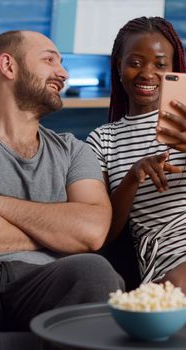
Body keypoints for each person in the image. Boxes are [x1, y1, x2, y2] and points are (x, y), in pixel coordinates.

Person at [0, 30, 125, 332]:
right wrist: (57, 232)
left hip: (49, 279)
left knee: (94, 269)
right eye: (49, 60)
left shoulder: (74, 151)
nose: (63, 73)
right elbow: (75, 235)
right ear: (8, 66)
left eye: (61, 63)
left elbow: (90, 232)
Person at [87, 16, 186, 293]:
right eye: (135, 62)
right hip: (163, 266)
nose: (147, 73)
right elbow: (105, 233)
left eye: (160, 64)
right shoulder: (103, 140)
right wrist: (132, 177)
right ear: (119, 66)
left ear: (174, 69)